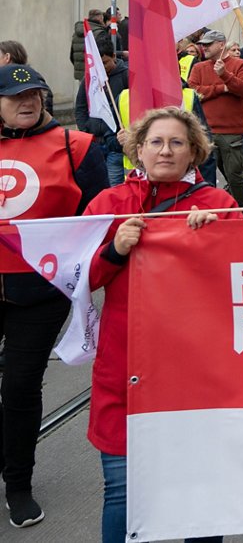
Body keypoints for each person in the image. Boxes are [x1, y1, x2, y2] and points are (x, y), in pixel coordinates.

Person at [83, 107, 241, 543]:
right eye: (155, 142)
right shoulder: (109, 204)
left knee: (201, 492)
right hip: (124, 365)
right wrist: (114, 250)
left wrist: (217, 243)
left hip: (198, 371)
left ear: (194, 152)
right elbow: (82, 280)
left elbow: (242, 284)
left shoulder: (220, 204)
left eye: (177, 143)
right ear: (138, 150)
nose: (165, 151)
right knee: (122, 491)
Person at [0, 65, 107, 528]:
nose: (28, 102)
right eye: (15, 96)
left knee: (20, 386)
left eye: (35, 94)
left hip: (39, 294)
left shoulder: (77, 146)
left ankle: (18, 483)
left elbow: (98, 216)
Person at [188, 28, 243, 204]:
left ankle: (240, 211)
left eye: (208, 44)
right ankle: (209, 210)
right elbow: (193, 92)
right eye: (203, 45)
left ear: (221, 44)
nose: (204, 48)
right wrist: (221, 88)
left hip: (232, 131)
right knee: (205, 177)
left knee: (234, 175)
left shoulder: (240, 64)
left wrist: (224, 75)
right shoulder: (199, 67)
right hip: (205, 131)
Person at [74, 37, 129, 185]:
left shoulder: (126, 76)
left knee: (114, 185)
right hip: (94, 141)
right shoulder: (90, 79)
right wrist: (85, 128)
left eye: (104, 63)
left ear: (114, 57)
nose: (102, 68)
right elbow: (80, 106)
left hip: (115, 143)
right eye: (98, 64)